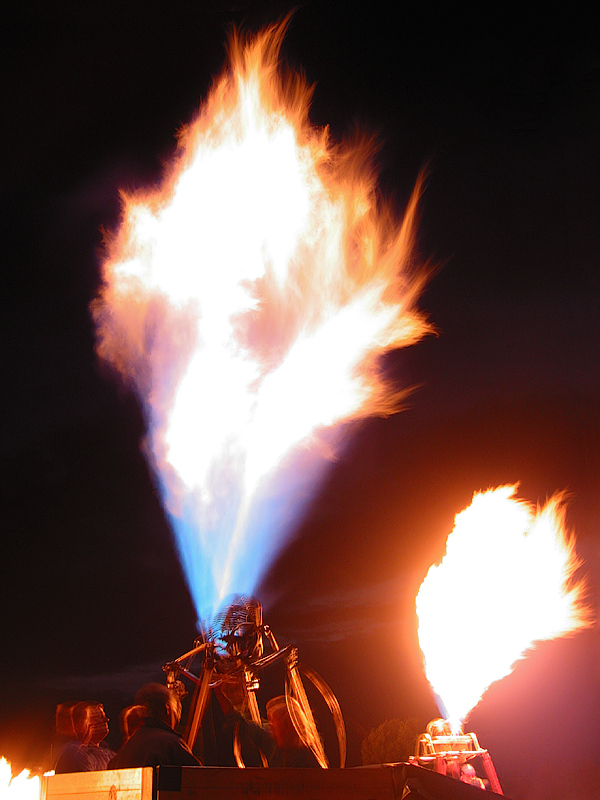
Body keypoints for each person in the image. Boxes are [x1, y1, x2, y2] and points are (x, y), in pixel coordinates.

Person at [108, 683, 200, 769]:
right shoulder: (172, 745)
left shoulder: (121, 754)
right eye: (176, 710)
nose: (178, 718)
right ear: (167, 708)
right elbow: (201, 779)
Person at [55, 702, 115, 772]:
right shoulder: (75, 753)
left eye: (104, 717)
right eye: (98, 718)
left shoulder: (109, 754)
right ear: (80, 724)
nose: (106, 720)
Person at [266, 695, 320, 767]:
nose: (271, 729)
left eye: (275, 727)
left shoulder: (305, 758)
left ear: (289, 726)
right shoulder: (278, 752)